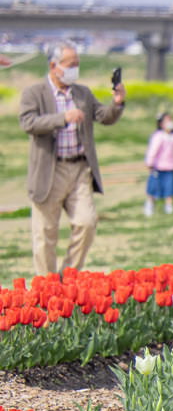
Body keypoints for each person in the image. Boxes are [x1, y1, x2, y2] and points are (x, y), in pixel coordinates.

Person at [18, 42, 125, 275]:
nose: (75, 69)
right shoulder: (34, 93)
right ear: (54, 66)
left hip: (79, 170)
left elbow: (103, 116)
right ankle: (47, 287)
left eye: (77, 64)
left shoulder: (82, 93)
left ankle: (68, 278)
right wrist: (62, 118)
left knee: (87, 223)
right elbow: (29, 123)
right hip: (49, 170)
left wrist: (117, 104)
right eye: (71, 65)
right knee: (45, 234)